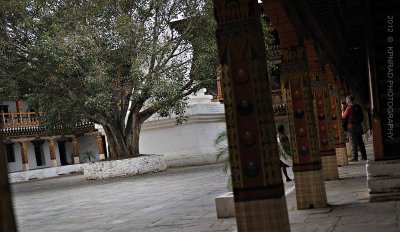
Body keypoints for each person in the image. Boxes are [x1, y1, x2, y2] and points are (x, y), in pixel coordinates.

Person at [341, 95, 367, 161]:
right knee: (360, 142)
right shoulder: (359, 107)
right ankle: (364, 156)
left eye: (347, 101)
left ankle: (354, 157)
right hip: (358, 126)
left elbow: (343, 116)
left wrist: (342, 110)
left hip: (351, 127)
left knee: (353, 143)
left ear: (349, 101)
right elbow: (362, 116)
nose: (346, 102)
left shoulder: (348, 108)